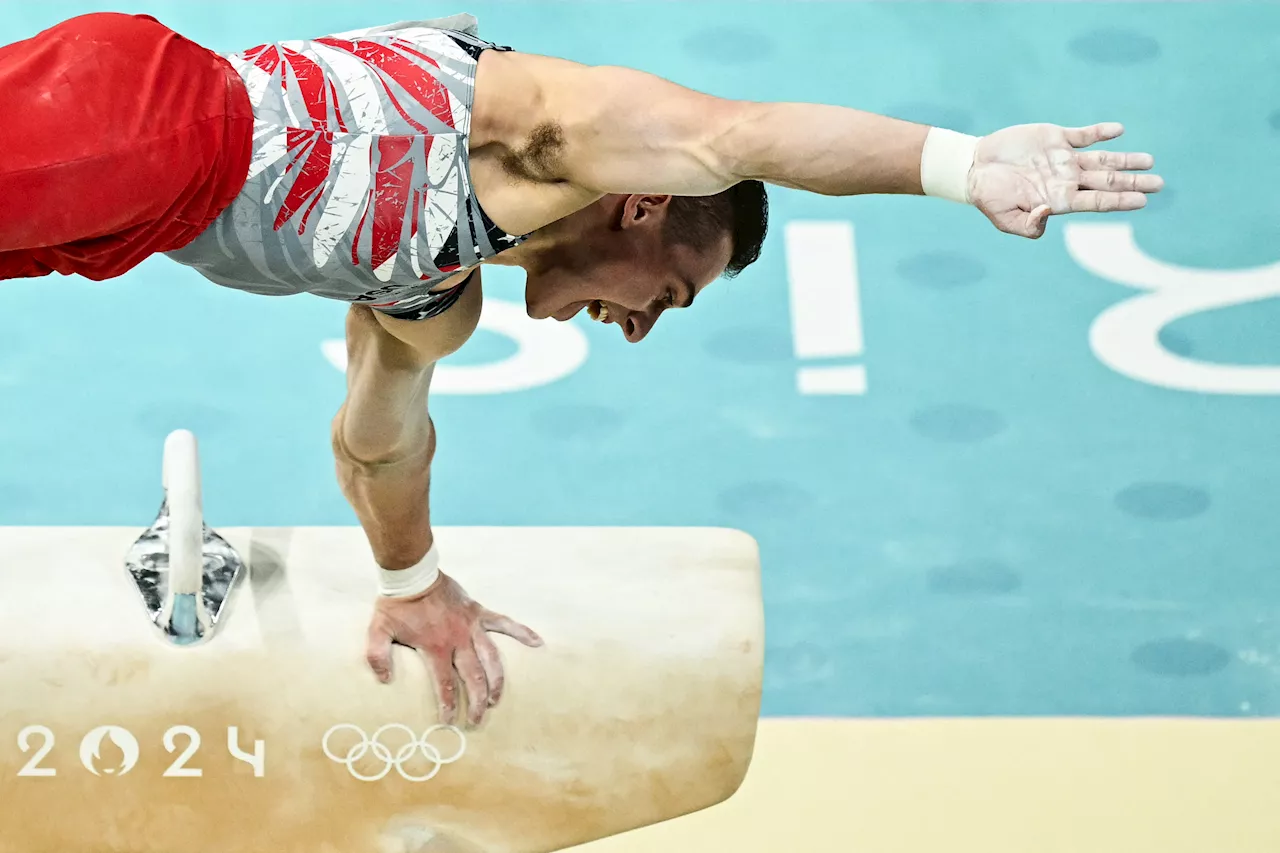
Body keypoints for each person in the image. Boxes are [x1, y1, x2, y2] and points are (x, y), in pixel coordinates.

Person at [0, 12, 1162, 727]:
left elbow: (378, 440)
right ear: (646, 202)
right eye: (670, 290)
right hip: (140, 121)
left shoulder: (431, 296)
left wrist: (414, 582)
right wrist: (954, 166)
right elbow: (741, 134)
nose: (643, 327)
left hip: (116, 219)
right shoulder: (540, 130)